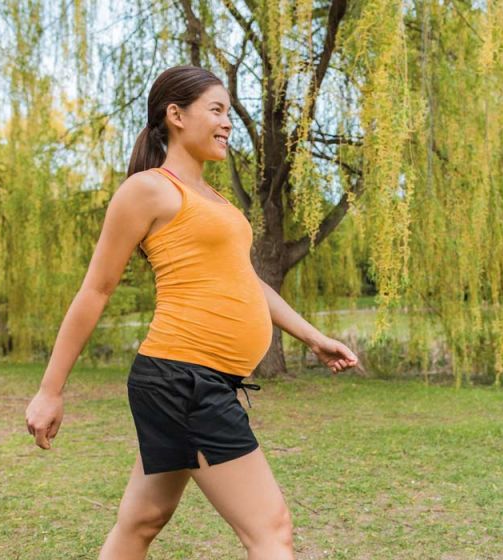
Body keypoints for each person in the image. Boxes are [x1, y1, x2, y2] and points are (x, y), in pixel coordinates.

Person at [25, 64, 360, 560]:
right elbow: (95, 290)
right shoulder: (148, 189)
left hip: (197, 379)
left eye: (230, 112)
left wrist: (312, 337)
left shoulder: (216, 200)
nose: (228, 123)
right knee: (271, 531)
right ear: (176, 115)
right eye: (217, 110)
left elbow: (245, 282)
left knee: (141, 520)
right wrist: (50, 391)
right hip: (184, 379)